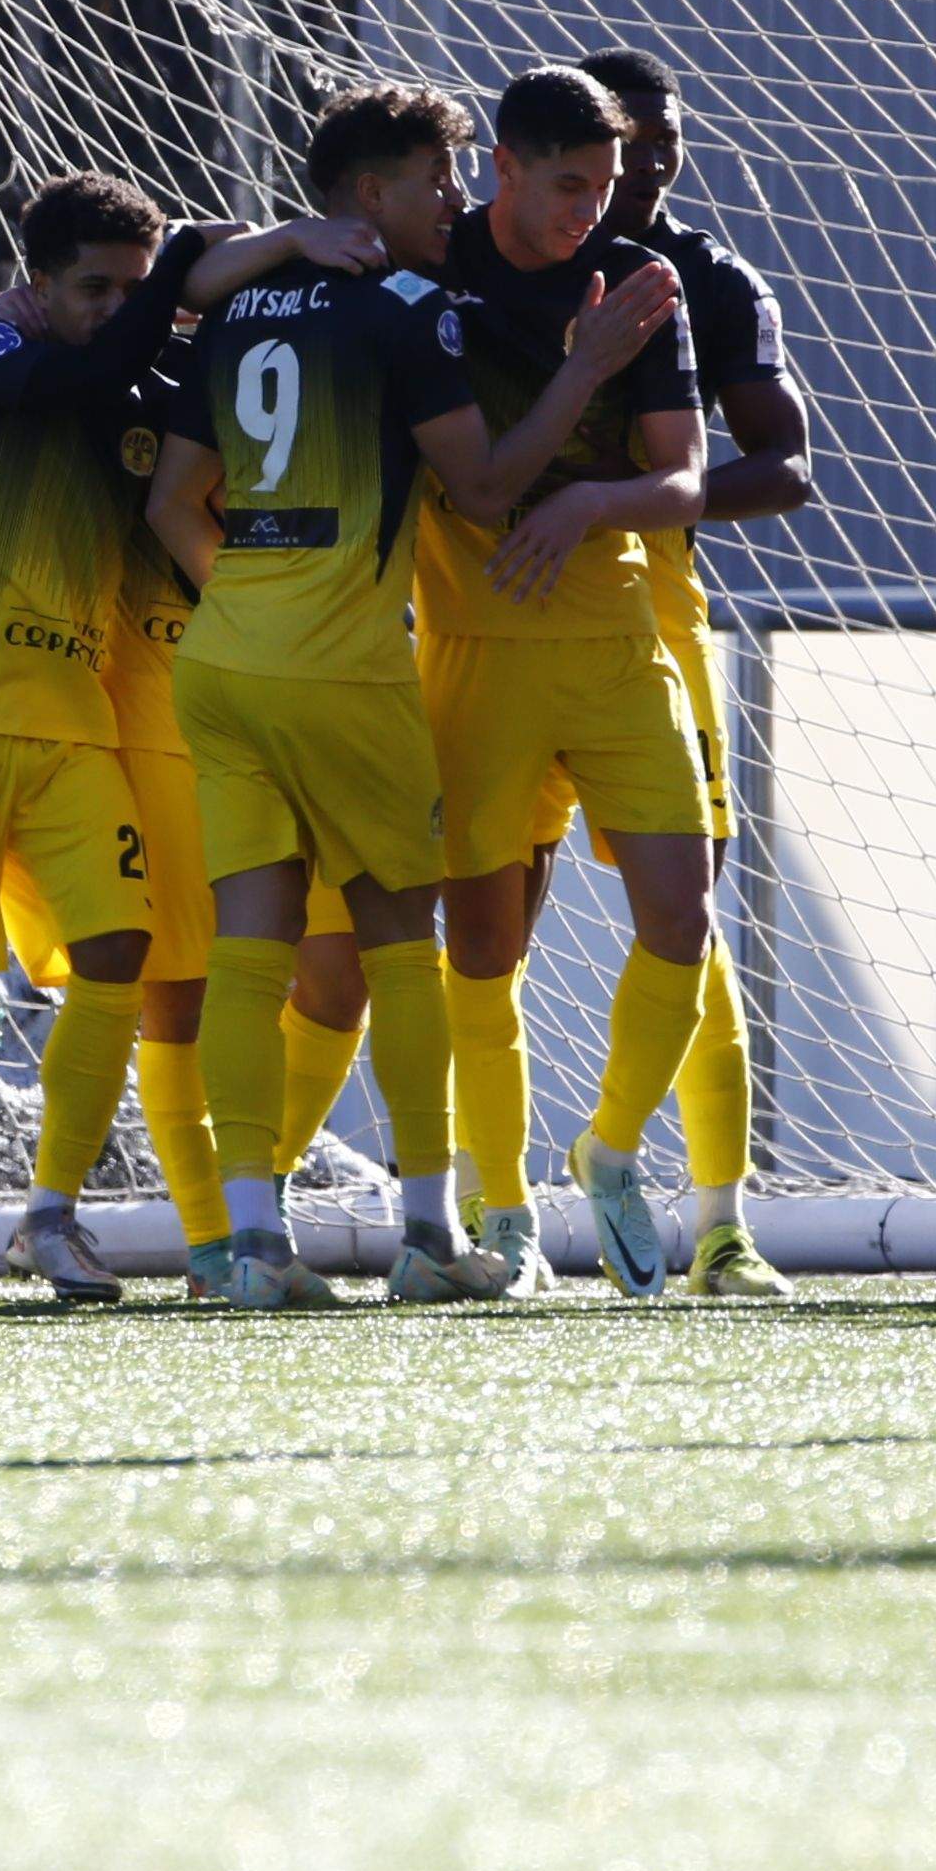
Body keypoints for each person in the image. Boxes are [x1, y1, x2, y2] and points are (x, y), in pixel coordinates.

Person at [146, 84, 673, 1308]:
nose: (455, 200)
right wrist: (587, 364)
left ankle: (243, 1246)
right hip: (343, 671)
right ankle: (433, 1238)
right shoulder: (408, 306)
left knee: (249, 954)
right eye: (437, 179)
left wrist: (261, 602)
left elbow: (174, 501)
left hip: (225, 664)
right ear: (371, 194)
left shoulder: (229, 309)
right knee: (400, 948)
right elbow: (485, 491)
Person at [0, 176, 369, 1308]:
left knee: (119, 961)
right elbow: (89, 368)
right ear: (37, 281)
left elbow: (150, 394)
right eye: (93, 287)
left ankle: (50, 1218)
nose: (113, 308)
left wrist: (269, 273)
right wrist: (227, 247)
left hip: (73, 720)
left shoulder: (136, 385)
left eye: (135, 290)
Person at [414, 65, 718, 1297]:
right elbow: (477, 484)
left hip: (613, 647)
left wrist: (597, 497)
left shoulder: (649, 290)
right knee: (483, 955)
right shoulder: (433, 286)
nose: (590, 210)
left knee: (682, 919)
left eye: (603, 186)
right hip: (475, 660)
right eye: (567, 186)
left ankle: (611, 1147)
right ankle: (503, 1214)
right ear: (502, 165)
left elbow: (688, 480)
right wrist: (580, 371)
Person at [578, 46, 815, 1291]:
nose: (654, 158)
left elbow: (787, 462)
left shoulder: (712, 280)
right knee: (463, 929)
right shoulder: (483, 261)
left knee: (690, 916)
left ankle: (721, 1225)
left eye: (668, 136)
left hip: (649, 619)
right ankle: (477, 1220)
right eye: (632, 138)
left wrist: (632, 503)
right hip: (475, 624)